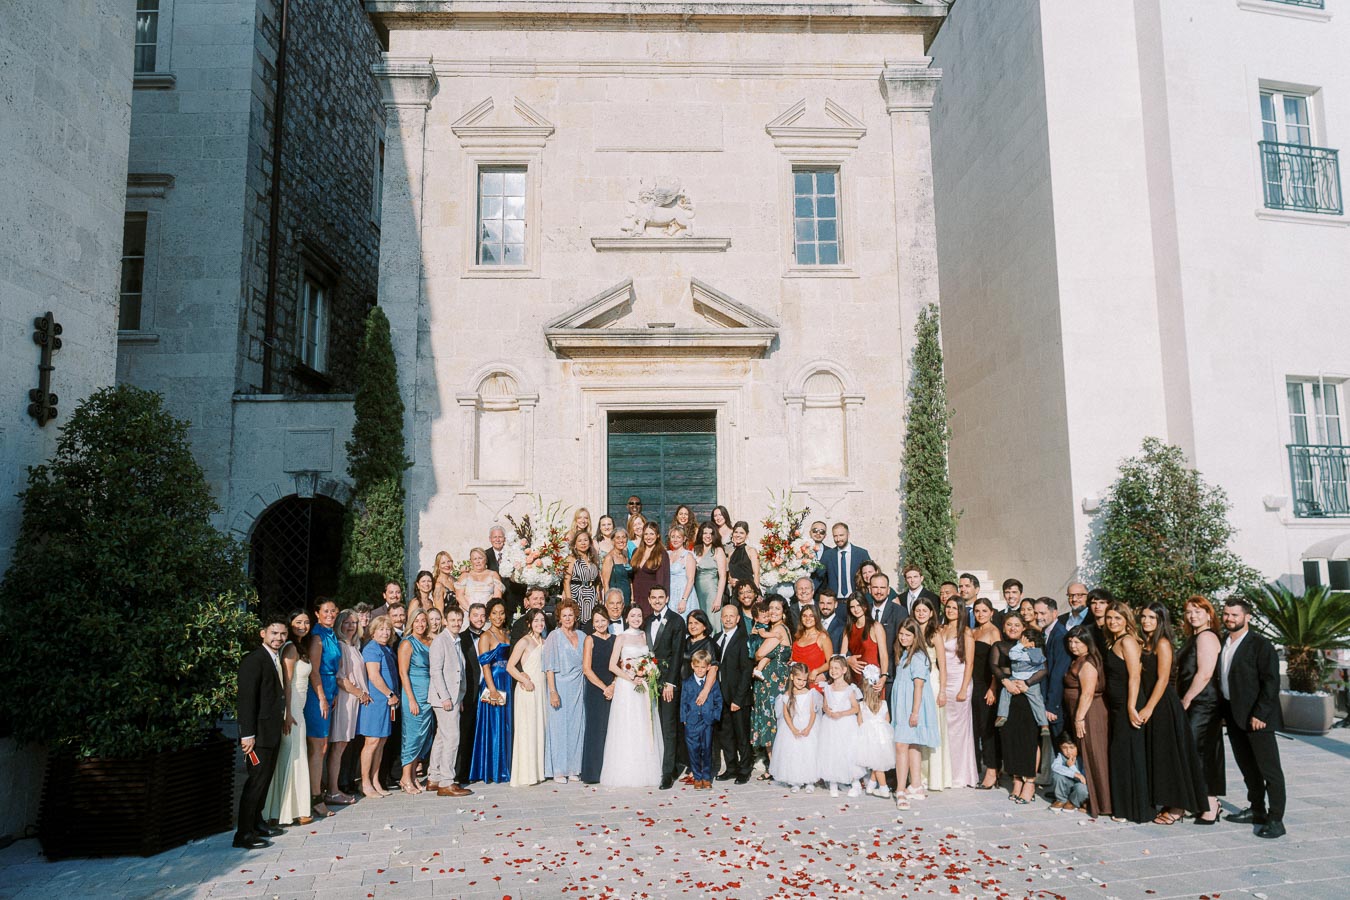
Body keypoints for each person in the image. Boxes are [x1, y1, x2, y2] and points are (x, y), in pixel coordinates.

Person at [1219, 597, 1286, 839]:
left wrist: (1260, 713)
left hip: (1257, 719)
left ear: (1247, 617)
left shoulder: (1260, 645)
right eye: (1226, 614)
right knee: (1248, 769)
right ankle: (1257, 810)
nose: (1229, 619)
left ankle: (1276, 819)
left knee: (1270, 771)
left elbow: (1271, 681)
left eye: (1234, 615)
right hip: (1234, 717)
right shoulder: (1223, 642)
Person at [1138, 602, 1209, 824]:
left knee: (1171, 757)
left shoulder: (1163, 643)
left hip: (1163, 705)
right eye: (1144, 617)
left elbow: (1163, 679)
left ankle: (1178, 808)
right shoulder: (1145, 642)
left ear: (1161, 620)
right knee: (1158, 756)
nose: (1146, 621)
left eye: (1151, 617)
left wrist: (1149, 707)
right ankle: (1165, 800)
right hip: (1150, 701)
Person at [234, 617, 288, 849]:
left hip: (272, 732)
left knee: (264, 780)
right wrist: (247, 734)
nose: (278, 638)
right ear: (263, 633)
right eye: (274, 633)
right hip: (258, 735)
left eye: (283, 634)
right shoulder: (253, 661)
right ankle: (243, 835)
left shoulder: (274, 659)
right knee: (255, 781)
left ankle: (257, 824)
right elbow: (246, 701)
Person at [601, 605, 663, 787]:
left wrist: (648, 672)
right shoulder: (621, 637)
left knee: (644, 723)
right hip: (627, 687)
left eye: (639, 615)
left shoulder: (644, 635)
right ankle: (626, 771)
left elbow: (650, 659)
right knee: (628, 725)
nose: (636, 618)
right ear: (626, 618)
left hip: (644, 686)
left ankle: (646, 769)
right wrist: (630, 677)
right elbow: (612, 665)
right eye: (632, 615)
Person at [1178, 595, 1225, 824]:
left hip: (1204, 703)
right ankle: (1201, 800)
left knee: (1202, 753)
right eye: (1189, 611)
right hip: (1197, 701)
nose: (1193, 615)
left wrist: (1186, 699)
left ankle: (1211, 803)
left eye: (1198, 611)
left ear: (1209, 614)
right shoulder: (1194, 636)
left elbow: (1205, 673)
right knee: (1194, 752)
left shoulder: (1206, 637)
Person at [1103, 601, 1150, 823]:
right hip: (1117, 705)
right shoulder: (1113, 641)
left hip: (1127, 704)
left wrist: (1131, 707)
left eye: (1118, 618)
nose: (1112, 622)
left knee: (1128, 754)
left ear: (1126, 620)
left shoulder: (1128, 641)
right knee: (1121, 754)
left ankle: (1133, 809)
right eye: (1109, 618)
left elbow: (1135, 676)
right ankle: (1122, 806)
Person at [265, 609, 313, 827]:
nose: (302, 626)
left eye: (306, 622)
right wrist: (288, 713)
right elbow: (287, 682)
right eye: (298, 622)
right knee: (293, 756)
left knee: (295, 755)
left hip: (298, 707)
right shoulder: (290, 648)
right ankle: (286, 811)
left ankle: (289, 809)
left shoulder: (299, 646)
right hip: (292, 708)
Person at [989, 613, 1043, 804]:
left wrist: (1026, 683)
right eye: (1009, 624)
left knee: (1029, 739)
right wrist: (1006, 682)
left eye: (1017, 625)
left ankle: (1030, 781)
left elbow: (1042, 668)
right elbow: (993, 666)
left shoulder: (1031, 645)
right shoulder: (999, 646)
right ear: (1004, 627)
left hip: (1027, 694)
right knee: (1011, 738)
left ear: (1023, 627)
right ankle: (1016, 780)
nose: (1013, 628)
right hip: (1008, 695)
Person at [1064, 626, 1111, 818]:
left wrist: (1079, 718)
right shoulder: (1079, 660)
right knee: (1089, 756)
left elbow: (1088, 692)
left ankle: (1103, 803)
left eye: (1078, 642)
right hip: (1083, 713)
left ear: (1087, 643)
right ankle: (1094, 799)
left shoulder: (1088, 663)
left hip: (1089, 714)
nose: (1073, 646)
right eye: (1070, 642)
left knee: (1095, 755)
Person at [891, 619, 938, 810]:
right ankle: (916, 785)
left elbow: (918, 686)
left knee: (901, 744)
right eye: (901, 633)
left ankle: (900, 790)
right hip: (903, 704)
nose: (903, 637)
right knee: (912, 744)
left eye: (907, 635)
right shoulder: (904, 654)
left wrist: (915, 712)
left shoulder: (918, 657)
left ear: (915, 636)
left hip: (910, 706)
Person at [427, 606, 472, 797]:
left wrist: (458, 697)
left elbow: (457, 672)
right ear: (445, 621)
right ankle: (447, 781)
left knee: (441, 737)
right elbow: (435, 671)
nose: (456, 623)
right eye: (452, 620)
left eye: (459, 620)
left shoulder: (456, 640)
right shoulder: (440, 641)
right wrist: (446, 697)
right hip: (443, 699)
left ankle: (434, 777)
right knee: (452, 738)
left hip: (453, 697)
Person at [646, 586, 686, 789]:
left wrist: (671, 682)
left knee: (668, 726)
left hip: (668, 682)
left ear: (667, 598)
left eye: (661, 597)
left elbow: (678, 653)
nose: (657, 600)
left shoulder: (677, 620)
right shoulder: (646, 621)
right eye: (654, 597)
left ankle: (668, 772)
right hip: (648, 681)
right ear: (649, 599)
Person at [303, 598, 340, 818]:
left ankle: (316, 791)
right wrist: (322, 698)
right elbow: (314, 671)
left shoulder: (330, 634)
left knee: (323, 746)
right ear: (317, 613)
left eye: (333, 611)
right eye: (326, 611)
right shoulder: (317, 637)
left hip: (329, 691)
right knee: (317, 747)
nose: (330, 614)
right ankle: (314, 798)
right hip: (317, 695)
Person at [543, 599, 587, 784]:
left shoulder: (583, 636)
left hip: (579, 686)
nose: (568, 618)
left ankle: (573, 768)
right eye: (564, 616)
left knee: (577, 727)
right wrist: (553, 691)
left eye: (571, 615)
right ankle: (559, 770)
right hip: (559, 685)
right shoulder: (554, 636)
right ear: (559, 618)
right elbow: (549, 666)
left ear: (575, 616)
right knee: (559, 728)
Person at [910, 596, 950, 792]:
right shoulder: (910, 632)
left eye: (924, 611)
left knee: (933, 726)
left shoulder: (935, 634)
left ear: (932, 613)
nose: (921, 614)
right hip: (914, 683)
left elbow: (942, 665)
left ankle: (934, 776)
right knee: (917, 727)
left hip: (932, 682)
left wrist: (942, 690)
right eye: (917, 610)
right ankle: (918, 775)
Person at [471, 599, 513, 784]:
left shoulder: (507, 633)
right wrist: (492, 689)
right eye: (495, 613)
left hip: (508, 681)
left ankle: (505, 767)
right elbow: (485, 666)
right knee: (494, 726)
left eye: (501, 613)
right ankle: (493, 769)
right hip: (494, 682)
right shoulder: (485, 636)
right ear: (489, 615)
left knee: (506, 724)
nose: (498, 616)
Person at [357, 615, 400, 798]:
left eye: (388, 629)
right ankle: (365, 782)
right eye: (381, 629)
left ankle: (375, 780)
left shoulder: (387, 649)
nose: (385, 632)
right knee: (372, 742)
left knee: (381, 742)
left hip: (386, 702)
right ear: (373, 631)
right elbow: (374, 676)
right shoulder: (372, 649)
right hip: (376, 701)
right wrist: (389, 694)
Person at [327, 609, 367, 804]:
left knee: (343, 745)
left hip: (353, 701)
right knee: (338, 745)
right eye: (347, 622)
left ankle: (336, 786)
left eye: (354, 623)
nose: (351, 626)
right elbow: (340, 678)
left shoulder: (354, 646)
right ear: (339, 625)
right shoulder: (342, 646)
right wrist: (359, 693)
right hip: (345, 699)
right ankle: (332, 789)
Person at [752, 598, 793, 778]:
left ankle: (777, 767)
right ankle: (773, 767)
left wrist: (758, 657)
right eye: (771, 608)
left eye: (777, 608)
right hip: (774, 679)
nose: (774, 611)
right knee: (773, 721)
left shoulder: (778, 629)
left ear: (783, 612)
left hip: (772, 682)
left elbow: (760, 653)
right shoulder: (780, 629)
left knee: (771, 722)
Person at [940, 595, 978, 788]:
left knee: (959, 731)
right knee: (945, 729)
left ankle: (961, 775)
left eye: (954, 608)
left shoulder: (966, 632)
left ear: (961, 610)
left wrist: (964, 688)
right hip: (943, 680)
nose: (950, 611)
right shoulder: (941, 628)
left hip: (959, 681)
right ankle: (946, 772)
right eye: (948, 607)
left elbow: (970, 663)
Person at [713, 603, 753, 783]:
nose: (728, 619)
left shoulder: (744, 639)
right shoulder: (717, 637)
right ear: (721, 618)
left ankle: (745, 769)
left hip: (738, 697)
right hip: (721, 696)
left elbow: (746, 671)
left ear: (738, 619)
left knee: (741, 735)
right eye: (725, 616)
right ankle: (731, 767)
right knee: (726, 735)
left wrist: (739, 698)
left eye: (732, 616)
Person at [507, 608, 547, 787]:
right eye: (536, 620)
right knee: (527, 729)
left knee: (538, 728)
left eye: (541, 620)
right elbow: (510, 666)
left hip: (541, 690)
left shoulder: (544, 641)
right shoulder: (524, 641)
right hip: (527, 690)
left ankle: (538, 772)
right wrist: (523, 679)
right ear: (529, 623)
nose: (539, 624)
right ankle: (525, 774)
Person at [397, 609, 435, 794]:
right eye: (417, 621)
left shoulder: (429, 641)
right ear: (411, 622)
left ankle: (412, 776)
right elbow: (403, 673)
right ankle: (405, 778)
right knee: (411, 736)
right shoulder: (407, 643)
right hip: (414, 694)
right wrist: (411, 699)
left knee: (423, 737)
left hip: (428, 695)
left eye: (423, 621)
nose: (421, 624)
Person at [817, 655, 866, 798]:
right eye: (831, 668)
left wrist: (842, 713)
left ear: (844, 670)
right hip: (830, 724)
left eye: (836, 668)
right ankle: (833, 781)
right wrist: (828, 711)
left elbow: (856, 708)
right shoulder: (827, 687)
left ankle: (855, 781)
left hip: (845, 724)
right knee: (832, 751)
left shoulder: (850, 689)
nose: (833, 671)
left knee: (847, 751)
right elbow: (825, 704)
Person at [770, 662, 823, 791]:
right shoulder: (787, 695)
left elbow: (813, 713)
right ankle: (795, 780)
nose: (801, 683)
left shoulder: (811, 693)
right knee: (793, 753)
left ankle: (810, 780)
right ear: (792, 677)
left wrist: (809, 728)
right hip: (791, 727)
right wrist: (793, 729)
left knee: (809, 753)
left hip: (808, 726)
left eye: (804, 680)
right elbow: (786, 714)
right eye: (799, 679)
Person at [580, 607, 617, 784]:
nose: (600, 624)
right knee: (595, 731)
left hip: (613, 689)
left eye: (603, 620)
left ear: (608, 620)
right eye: (596, 621)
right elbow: (586, 669)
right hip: (596, 690)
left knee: (611, 730)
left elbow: (620, 664)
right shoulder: (590, 639)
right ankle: (592, 773)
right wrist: (605, 688)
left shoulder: (615, 639)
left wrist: (614, 685)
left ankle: (609, 771)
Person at [681, 648, 723, 789]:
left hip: (707, 722)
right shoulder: (687, 683)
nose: (699, 670)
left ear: (708, 667)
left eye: (703, 667)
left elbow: (718, 701)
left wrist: (714, 716)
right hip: (691, 723)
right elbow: (683, 702)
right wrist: (684, 719)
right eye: (697, 667)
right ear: (692, 665)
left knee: (707, 749)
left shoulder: (712, 684)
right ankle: (697, 777)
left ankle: (706, 777)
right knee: (694, 750)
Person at [970, 598, 1001, 789]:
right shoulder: (973, 632)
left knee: (988, 730)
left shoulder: (994, 632)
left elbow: (998, 664)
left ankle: (992, 771)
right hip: (973, 685)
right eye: (977, 611)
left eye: (984, 611)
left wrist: (993, 688)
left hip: (987, 686)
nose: (980, 614)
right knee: (975, 729)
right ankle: (978, 767)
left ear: (991, 612)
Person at [455, 603, 486, 786]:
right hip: (468, 692)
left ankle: (480, 770)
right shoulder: (461, 638)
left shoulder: (490, 636)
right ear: (469, 617)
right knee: (465, 733)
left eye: (482, 616)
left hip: (486, 690)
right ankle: (461, 773)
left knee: (481, 732)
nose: (479, 619)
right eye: (476, 615)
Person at [995, 628, 1047, 730]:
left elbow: (1012, 655)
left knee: (1005, 693)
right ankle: (1044, 724)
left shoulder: (1023, 652)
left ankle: (1002, 714)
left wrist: (1021, 645)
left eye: (1021, 640)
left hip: (1017, 678)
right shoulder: (1037, 653)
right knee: (1037, 701)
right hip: (1032, 681)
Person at [1035, 597, 1071, 739]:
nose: (1038, 617)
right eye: (1036, 613)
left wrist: (1052, 705)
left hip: (1056, 705)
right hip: (1046, 698)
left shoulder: (1060, 635)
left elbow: (1058, 673)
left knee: (1060, 742)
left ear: (1054, 613)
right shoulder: (1046, 633)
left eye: (1043, 613)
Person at [843, 595, 888, 687]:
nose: (856, 609)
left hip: (872, 678)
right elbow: (842, 655)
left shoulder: (876, 627)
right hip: (853, 678)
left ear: (865, 606)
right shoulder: (848, 628)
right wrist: (848, 660)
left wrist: (883, 676)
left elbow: (883, 655)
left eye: (858, 605)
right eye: (852, 607)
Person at [867, 574, 904, 681]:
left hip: (890, 674)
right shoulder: (863, 611)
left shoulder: (899, 612)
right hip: (866, 674)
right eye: (875, 587)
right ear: (870, 589)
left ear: (888, 590)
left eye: (882, 588)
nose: (879, 591)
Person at [630, 523, 671, 620]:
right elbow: (632, 577)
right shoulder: (636, 552)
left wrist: (658, 601)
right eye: (646, 534)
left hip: (651, 599)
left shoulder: (661, 554)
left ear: (657, 536)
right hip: (637, 597)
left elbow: (663, 581)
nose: (649, 537)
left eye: (652, 534)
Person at [819, 523, 870, 600]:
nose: (838, 539)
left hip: (857, 601)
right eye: (835, 536)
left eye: (841, 535)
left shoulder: (862, 554)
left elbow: (873, 576)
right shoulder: (827, 555)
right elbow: (817, 577)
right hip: (835, 602)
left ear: (848, 535)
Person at [485, 525, 525, 620]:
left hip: (514, 599)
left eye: (500, 537)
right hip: (494, 602)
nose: (498, 540)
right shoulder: (485, 555)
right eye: (495, 537)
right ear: (490, 539)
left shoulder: (515, 553)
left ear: (505, 539)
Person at [563, 531, 602, 625]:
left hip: (591, 596)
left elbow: (597, 580)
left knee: (591, 624)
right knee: (577, 623)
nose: (583, 543)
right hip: (577, 595)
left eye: (585, 540)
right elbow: (566, 581)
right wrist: (570, 602)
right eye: (580, 541)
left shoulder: (593, 559)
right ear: (575, 544)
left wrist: (598, 595)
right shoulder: (571, 559)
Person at [791, 604, 832, 683]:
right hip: (797, 684)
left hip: (814, 683)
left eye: (811, 615)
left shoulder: (822, 637)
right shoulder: (797, 637)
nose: (808, 619)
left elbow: (830, 662)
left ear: (816, 618)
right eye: (804, 616)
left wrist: (816, 671)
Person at [692, 523, 728, 615]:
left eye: (711, 533)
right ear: (701, 535)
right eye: (705, 533)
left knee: (712, 621)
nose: (708, 536)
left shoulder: (718, 550)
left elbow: (723, 577)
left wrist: (718, 598)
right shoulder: (695, 550)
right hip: (697, 592)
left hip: (712, 592)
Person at [457, 547, 505, 612]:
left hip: (488, 612)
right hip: (467, 612)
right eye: (475, 559)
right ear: (471, 561)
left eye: (480, 558)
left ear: (485, 559)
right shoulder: (465, 575)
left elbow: (497, 597)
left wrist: (486, 611)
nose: (478, 561)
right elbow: (459, 596)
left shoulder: (493, 574)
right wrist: (471, 611)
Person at [1050, 735, 1089, 812]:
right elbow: (1055, 766)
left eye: (1072, 748)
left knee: (1082, 788)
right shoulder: (1061, 756)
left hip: (1078, 791)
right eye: (1064, 748)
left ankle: (1073, 802)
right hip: (1067, 788)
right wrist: (1074, 774)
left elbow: (1083, 780)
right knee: (1057, 776)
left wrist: (1072, 767)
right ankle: (1061, 800)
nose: (1068, 751)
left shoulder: (1082, 757)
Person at [667, 525, 697, 617]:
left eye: (678, 537)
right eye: (673, 537)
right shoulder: (668, 554)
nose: (675, 540)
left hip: (683, 593)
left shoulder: (688, 555)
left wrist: (684, 600)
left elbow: (691, 579)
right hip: (671, 593)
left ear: (684, 539)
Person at [725, 521, 759, 601]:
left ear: (746, 535)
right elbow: (729, 575)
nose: (738, 535)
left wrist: (756, 594)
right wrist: (730, 580)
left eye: (741, 533)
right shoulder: (731, 554)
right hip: (736, 593)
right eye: (736, 532)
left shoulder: (751, 551)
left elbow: (757, 574)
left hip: (749, 592)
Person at [601, 527, 632, 608]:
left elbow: (629, 579)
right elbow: (605, 583)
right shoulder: (609, 558)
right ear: (613, 541)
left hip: (627, 596)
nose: (621, 540)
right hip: (615, 600)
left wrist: (632, 597)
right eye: (618, 538)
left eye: (624, 537)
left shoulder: (625, 556)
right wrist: (607, 602)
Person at [816, 589, 846, 654]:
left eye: (829, 603)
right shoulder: (814, 623)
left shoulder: (842, 627)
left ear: (836, 604)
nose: (825, 607)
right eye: (822, 603)